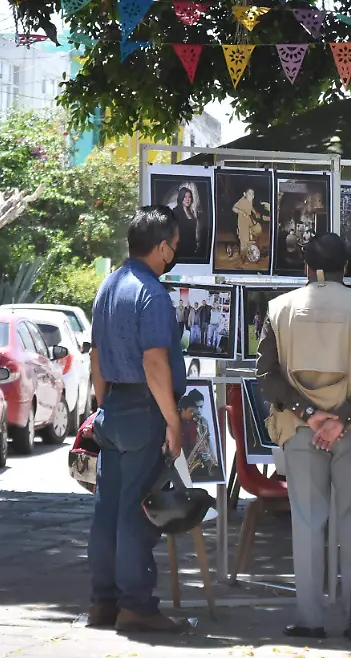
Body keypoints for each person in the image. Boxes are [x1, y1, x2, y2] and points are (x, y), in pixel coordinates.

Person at [255, 232, 351, 640]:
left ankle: (310, 618)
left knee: (307, 522)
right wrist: (340, 418)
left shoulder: (279, 309)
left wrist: (310, 415)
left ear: (306, 267)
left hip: (299, 429)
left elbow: (267, 375)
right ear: (347, 266)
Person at [86, 205, 189, 633]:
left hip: (113, 407)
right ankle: (136, 605)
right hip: (144, 409)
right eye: (175, 246)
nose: (174, 254)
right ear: (162, 247)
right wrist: (172, 420)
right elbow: (154, 361)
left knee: (108, 509)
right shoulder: (151, 292)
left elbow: (95, 356)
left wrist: (102, 405)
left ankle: (103, 602)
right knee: (135, 514)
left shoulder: (109, 285)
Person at [232, 187, 266, 262]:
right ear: (244, 194)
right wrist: (242, 212)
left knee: (258, 229)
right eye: (249, 194)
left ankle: (254, 247)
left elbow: (250, 207)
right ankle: (243, 256)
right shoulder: (242, 200)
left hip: (249, 220)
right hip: (242, 222)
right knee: (244, 239)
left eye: (253, 194)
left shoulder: (250, 200)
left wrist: (255, 212)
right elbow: (234, 208)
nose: (252, 195)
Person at [172, 185, 200, 261]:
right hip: (181, 251)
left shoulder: (191, 213)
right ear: (181, 198)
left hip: (192, 249)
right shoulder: (175, 212)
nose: (187, 199)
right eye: (185, 197)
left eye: (189, 197)